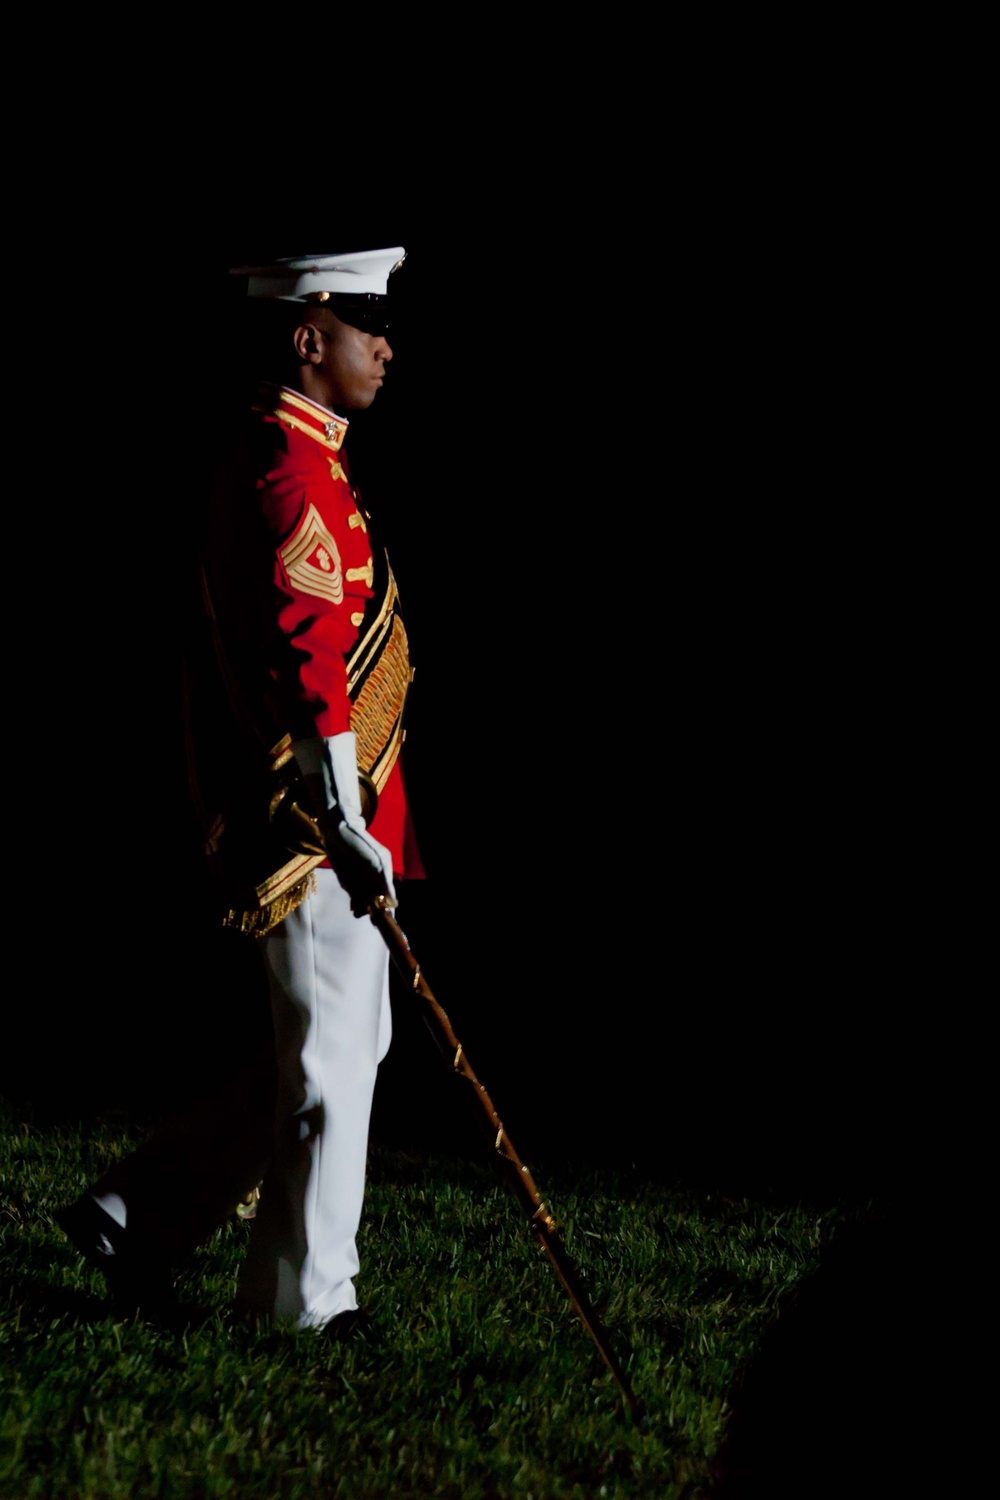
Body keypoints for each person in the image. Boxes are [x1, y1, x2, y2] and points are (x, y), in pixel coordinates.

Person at [57, 245, 425, 1337]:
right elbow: (310, 657)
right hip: (310, 818)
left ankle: (137, 1217)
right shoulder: (287, 469)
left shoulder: (307, 458)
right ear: (308, 338)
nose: (387, 347)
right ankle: (304, 1306)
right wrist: (347, 821)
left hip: (327, 808)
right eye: (368, 329)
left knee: (324, 1049)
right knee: (325, 1063)